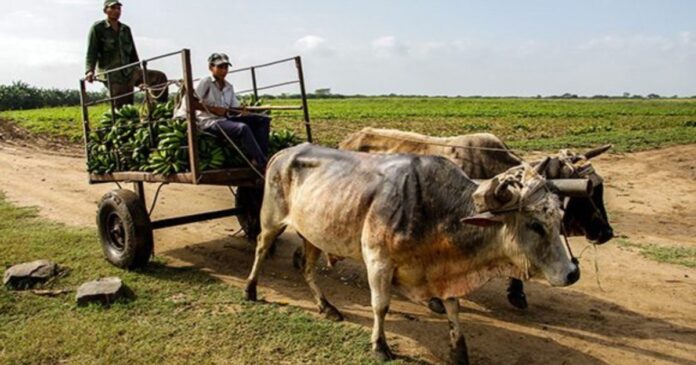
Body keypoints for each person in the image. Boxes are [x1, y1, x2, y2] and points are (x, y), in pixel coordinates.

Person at [175, 53, 271, 169]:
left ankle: (259, 157)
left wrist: (245, 110)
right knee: (242, 128)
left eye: (226, 67)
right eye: (220, 67)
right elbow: (190, 102)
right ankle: (262, 164)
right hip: (207, 122)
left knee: (263, 119)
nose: (224, 70)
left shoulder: (228, 86)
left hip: (224, 119)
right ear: (211, 67)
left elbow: (233, 108)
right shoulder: (206, 82)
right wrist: (213, 109)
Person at [85, 0, 168, 108]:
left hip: (129, 70)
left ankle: (159, 111)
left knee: (159, 77)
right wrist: (89, 70)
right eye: (113, 8)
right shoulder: (98, 28)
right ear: (105, 10)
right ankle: (121, 121)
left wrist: (139, 74)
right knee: (124, 104)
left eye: (119, 8)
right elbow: (92, 51)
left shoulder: (125, 29)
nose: (117, 11)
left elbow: (133, 53)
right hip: (111, 73)